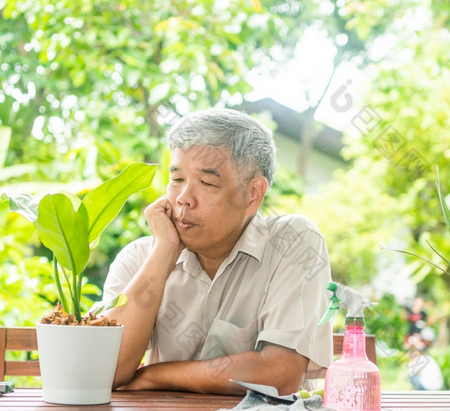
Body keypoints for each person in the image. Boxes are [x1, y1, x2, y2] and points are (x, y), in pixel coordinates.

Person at [102, 108, 332, 396]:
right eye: (176, 179)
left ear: (253, 195)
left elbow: (280, 374)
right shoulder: (138, 258)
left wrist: (154, 375)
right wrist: (164, 251)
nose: (184, 198)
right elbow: (105, 368)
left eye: (207, 183)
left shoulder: (292, 241)